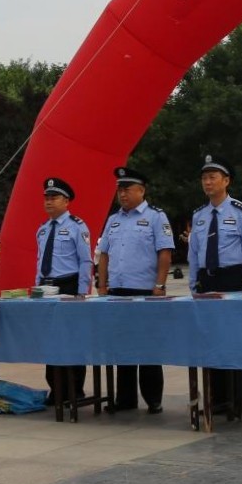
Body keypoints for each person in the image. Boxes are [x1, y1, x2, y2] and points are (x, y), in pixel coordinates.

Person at [94, 166, 174, 413]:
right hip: (117, 291)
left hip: (144, 291)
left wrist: (159, 285)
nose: (123, 194)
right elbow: (104, 253)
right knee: (122, 346)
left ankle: (153, 399)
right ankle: (125, 399)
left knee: (148, 345)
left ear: (142, 190)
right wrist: (102, 283)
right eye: (120, 190)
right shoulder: (114, 220)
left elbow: (165, 252)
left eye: (127, 189)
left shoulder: (155, 217)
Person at [187, 155, 242, 419]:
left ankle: (236, 403)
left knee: (235, 342)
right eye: (204, 178)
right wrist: (193, 283)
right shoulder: (199, 215)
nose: (207, 182)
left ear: (226, 181)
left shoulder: (241, 212)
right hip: (208, 281)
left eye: (213, 177)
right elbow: (194, 252)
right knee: (212, 341)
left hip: (233, 279)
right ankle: (216, 399)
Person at [34, 176, 92, 404]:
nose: (48, 202)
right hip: (47, 287)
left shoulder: (77, 226)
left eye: (54, 197)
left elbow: (85, 261)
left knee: (72, 338)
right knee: (52, 339)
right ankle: (56, 388)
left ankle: (75, 389)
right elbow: (40, 261)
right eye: (46, 198)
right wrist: (37, 287)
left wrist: (81, 291)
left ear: (66, 201)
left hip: (69, 285)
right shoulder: (42, 229)